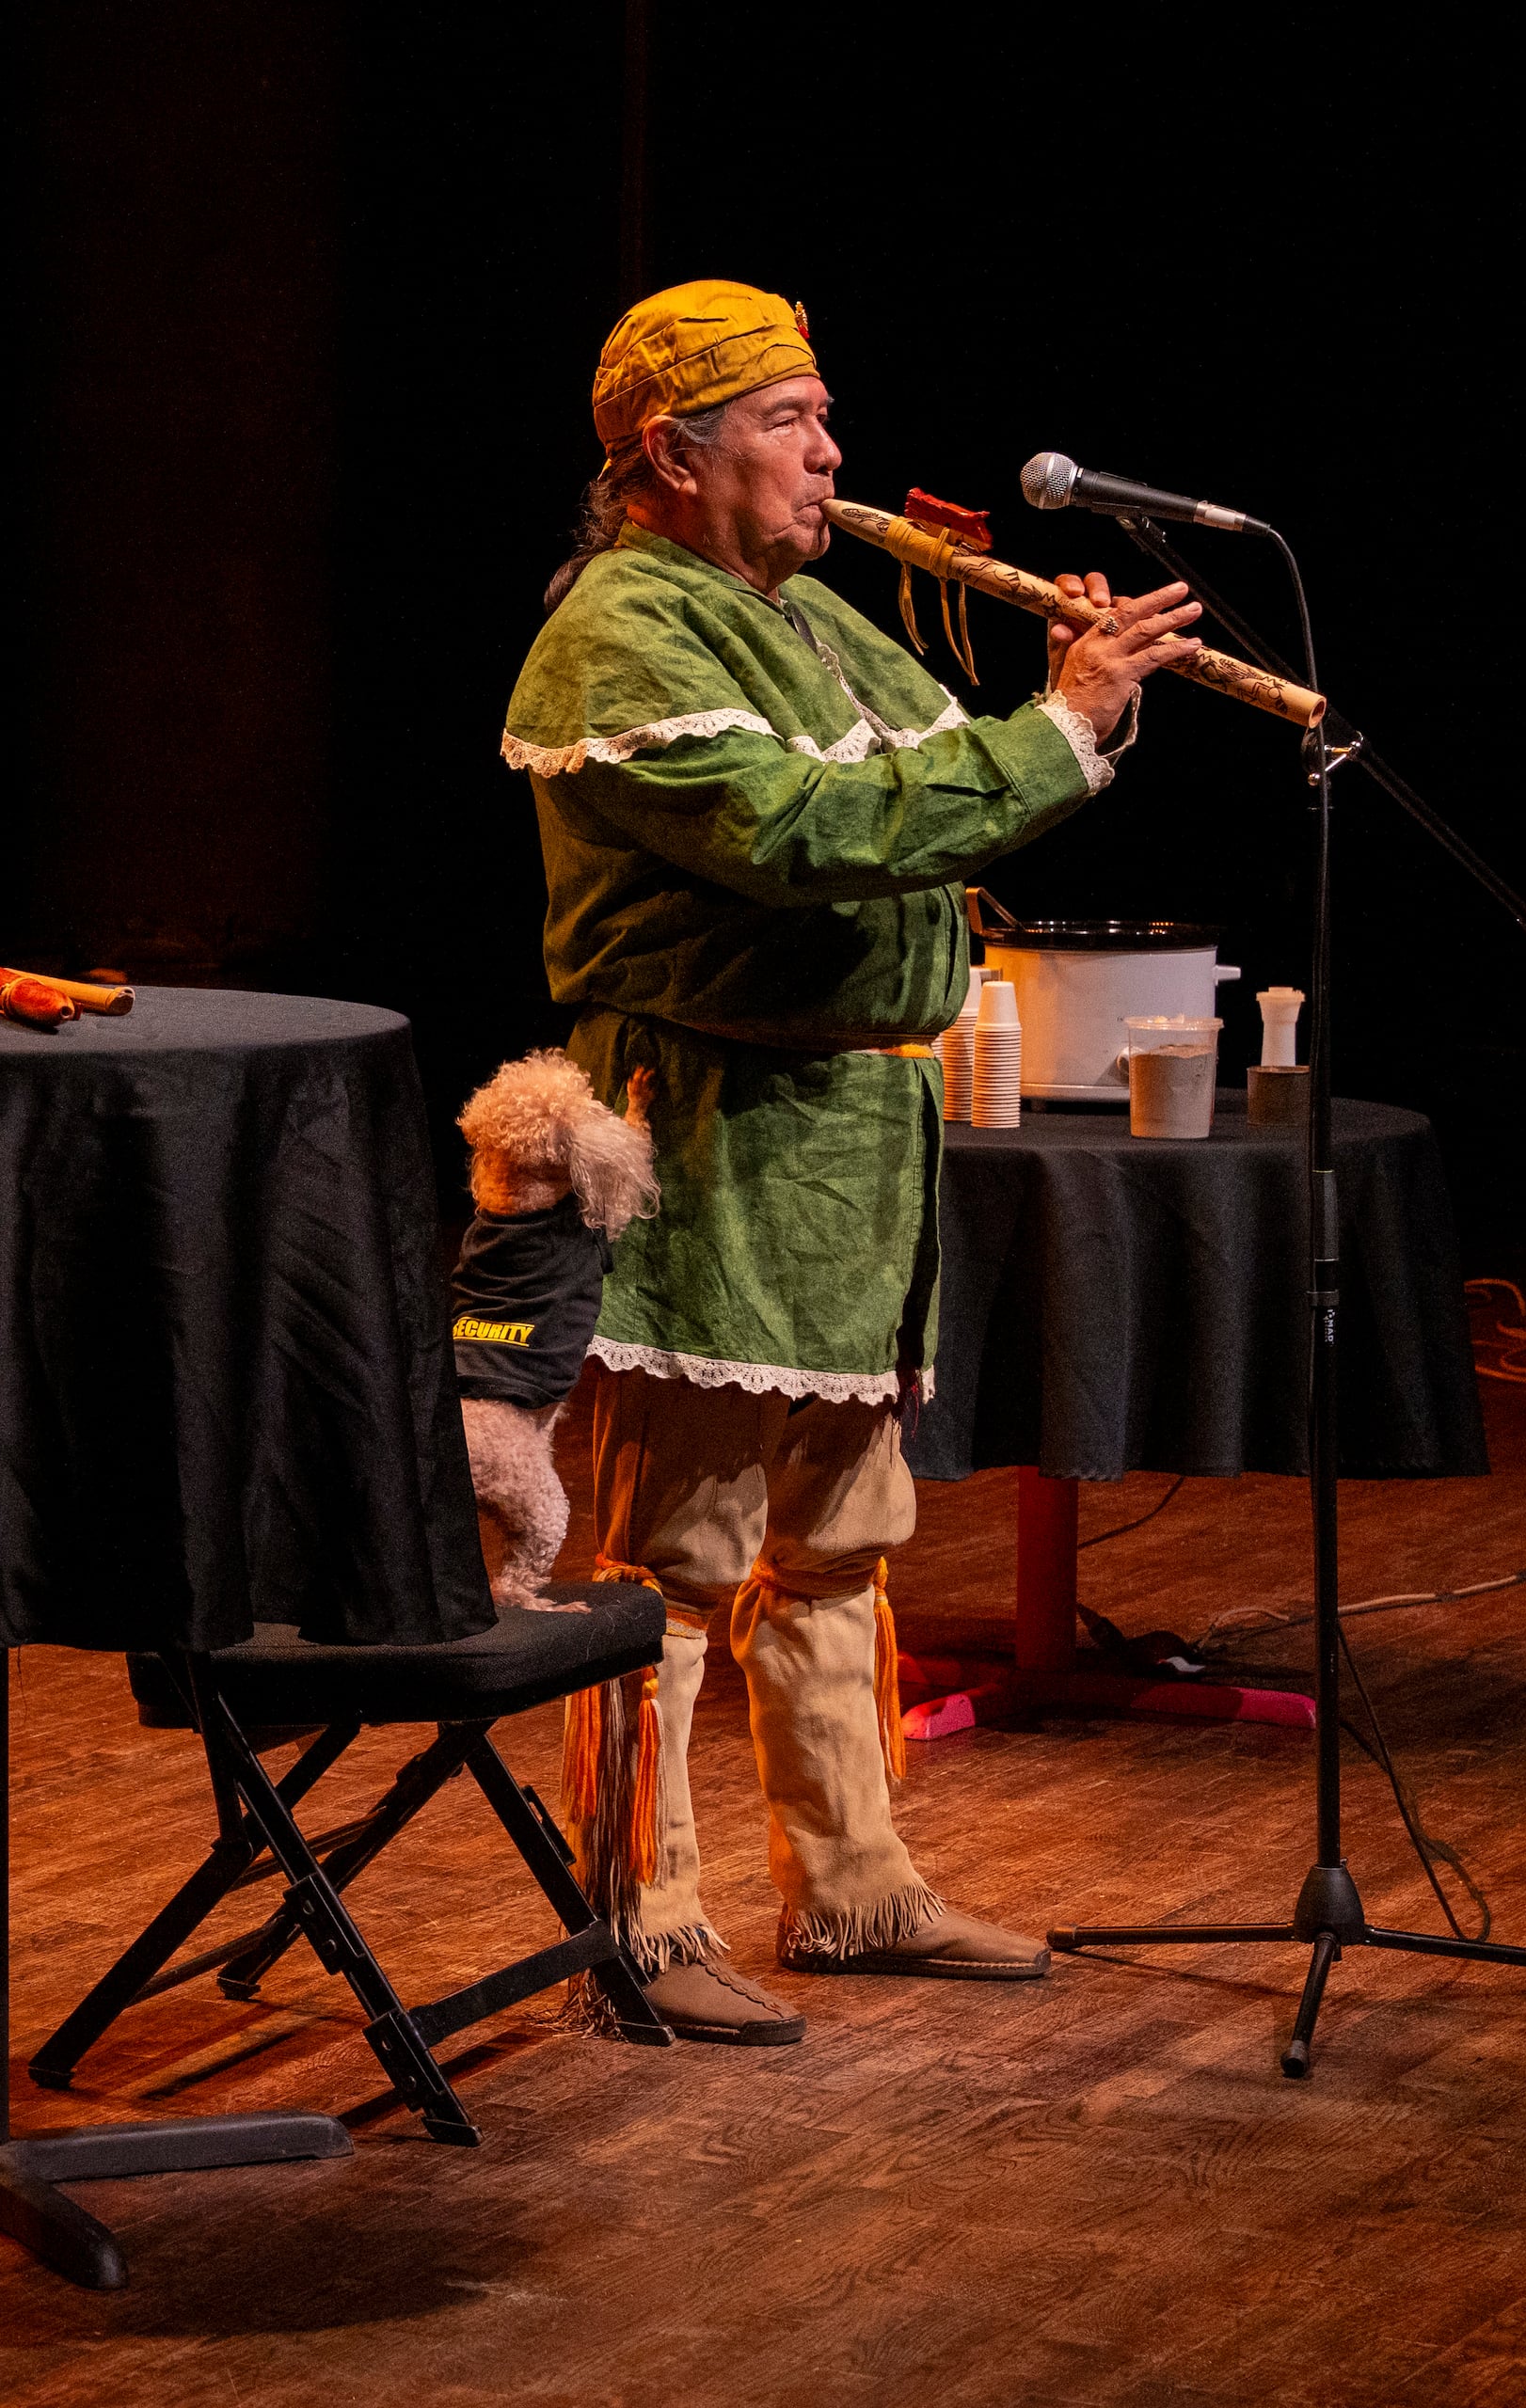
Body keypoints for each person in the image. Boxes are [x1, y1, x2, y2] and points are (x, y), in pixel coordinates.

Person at [503, 277, 1200, 2043]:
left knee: (838, 1535)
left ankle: (855, 1884)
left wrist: (1069, 700)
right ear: (673, 451)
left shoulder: (814, 614)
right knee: (677, 1546)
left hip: (856, 1143)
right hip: (711, 1133)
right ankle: (639, 1912)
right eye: (790, 423)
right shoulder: (624, 626)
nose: (832, 456)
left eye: (824, 419)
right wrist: (1056, 725)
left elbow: (959, 775)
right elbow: (816, 833)